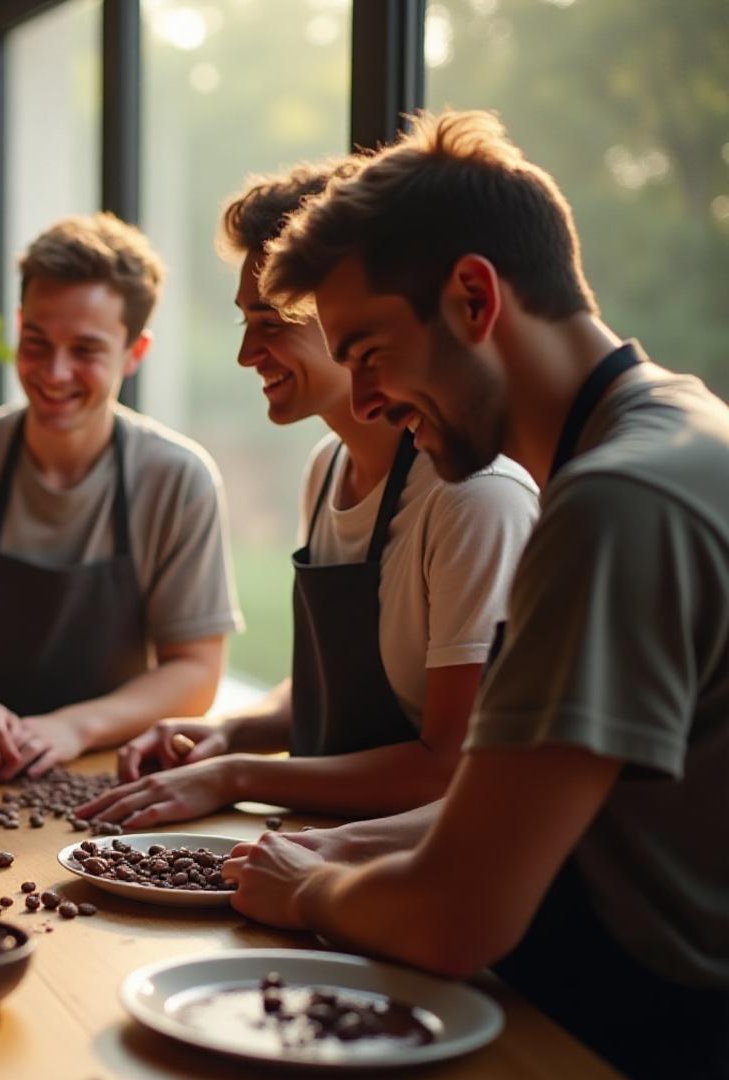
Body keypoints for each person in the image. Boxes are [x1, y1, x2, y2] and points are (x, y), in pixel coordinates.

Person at [223, 110, 729, 1079]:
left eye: (368, 350)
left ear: (472, 298)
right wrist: (339, 849)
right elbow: (541, 809)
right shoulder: (681, 424)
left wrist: (309, 895)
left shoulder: (613, 504)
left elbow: (455, 917)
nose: (361, 401)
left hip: (622, 1039)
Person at [75, 161, 537, 829]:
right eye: (245, 322)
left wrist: (235, 775)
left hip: (400, 876)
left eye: (270, 322)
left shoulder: (475, 498)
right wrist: (230, 735)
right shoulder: (327, 468)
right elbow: (336, 690)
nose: (246, 354)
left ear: (344, 313)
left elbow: (448, 769)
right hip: (308, 850)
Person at [0, 214, 241, 780]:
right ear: (19, 327)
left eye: (86, 350)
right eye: (37, 342)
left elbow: (196, 672)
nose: (55, 371)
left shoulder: (178, 477)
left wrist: (75, 727)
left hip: (112, 768)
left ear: (135, 352)